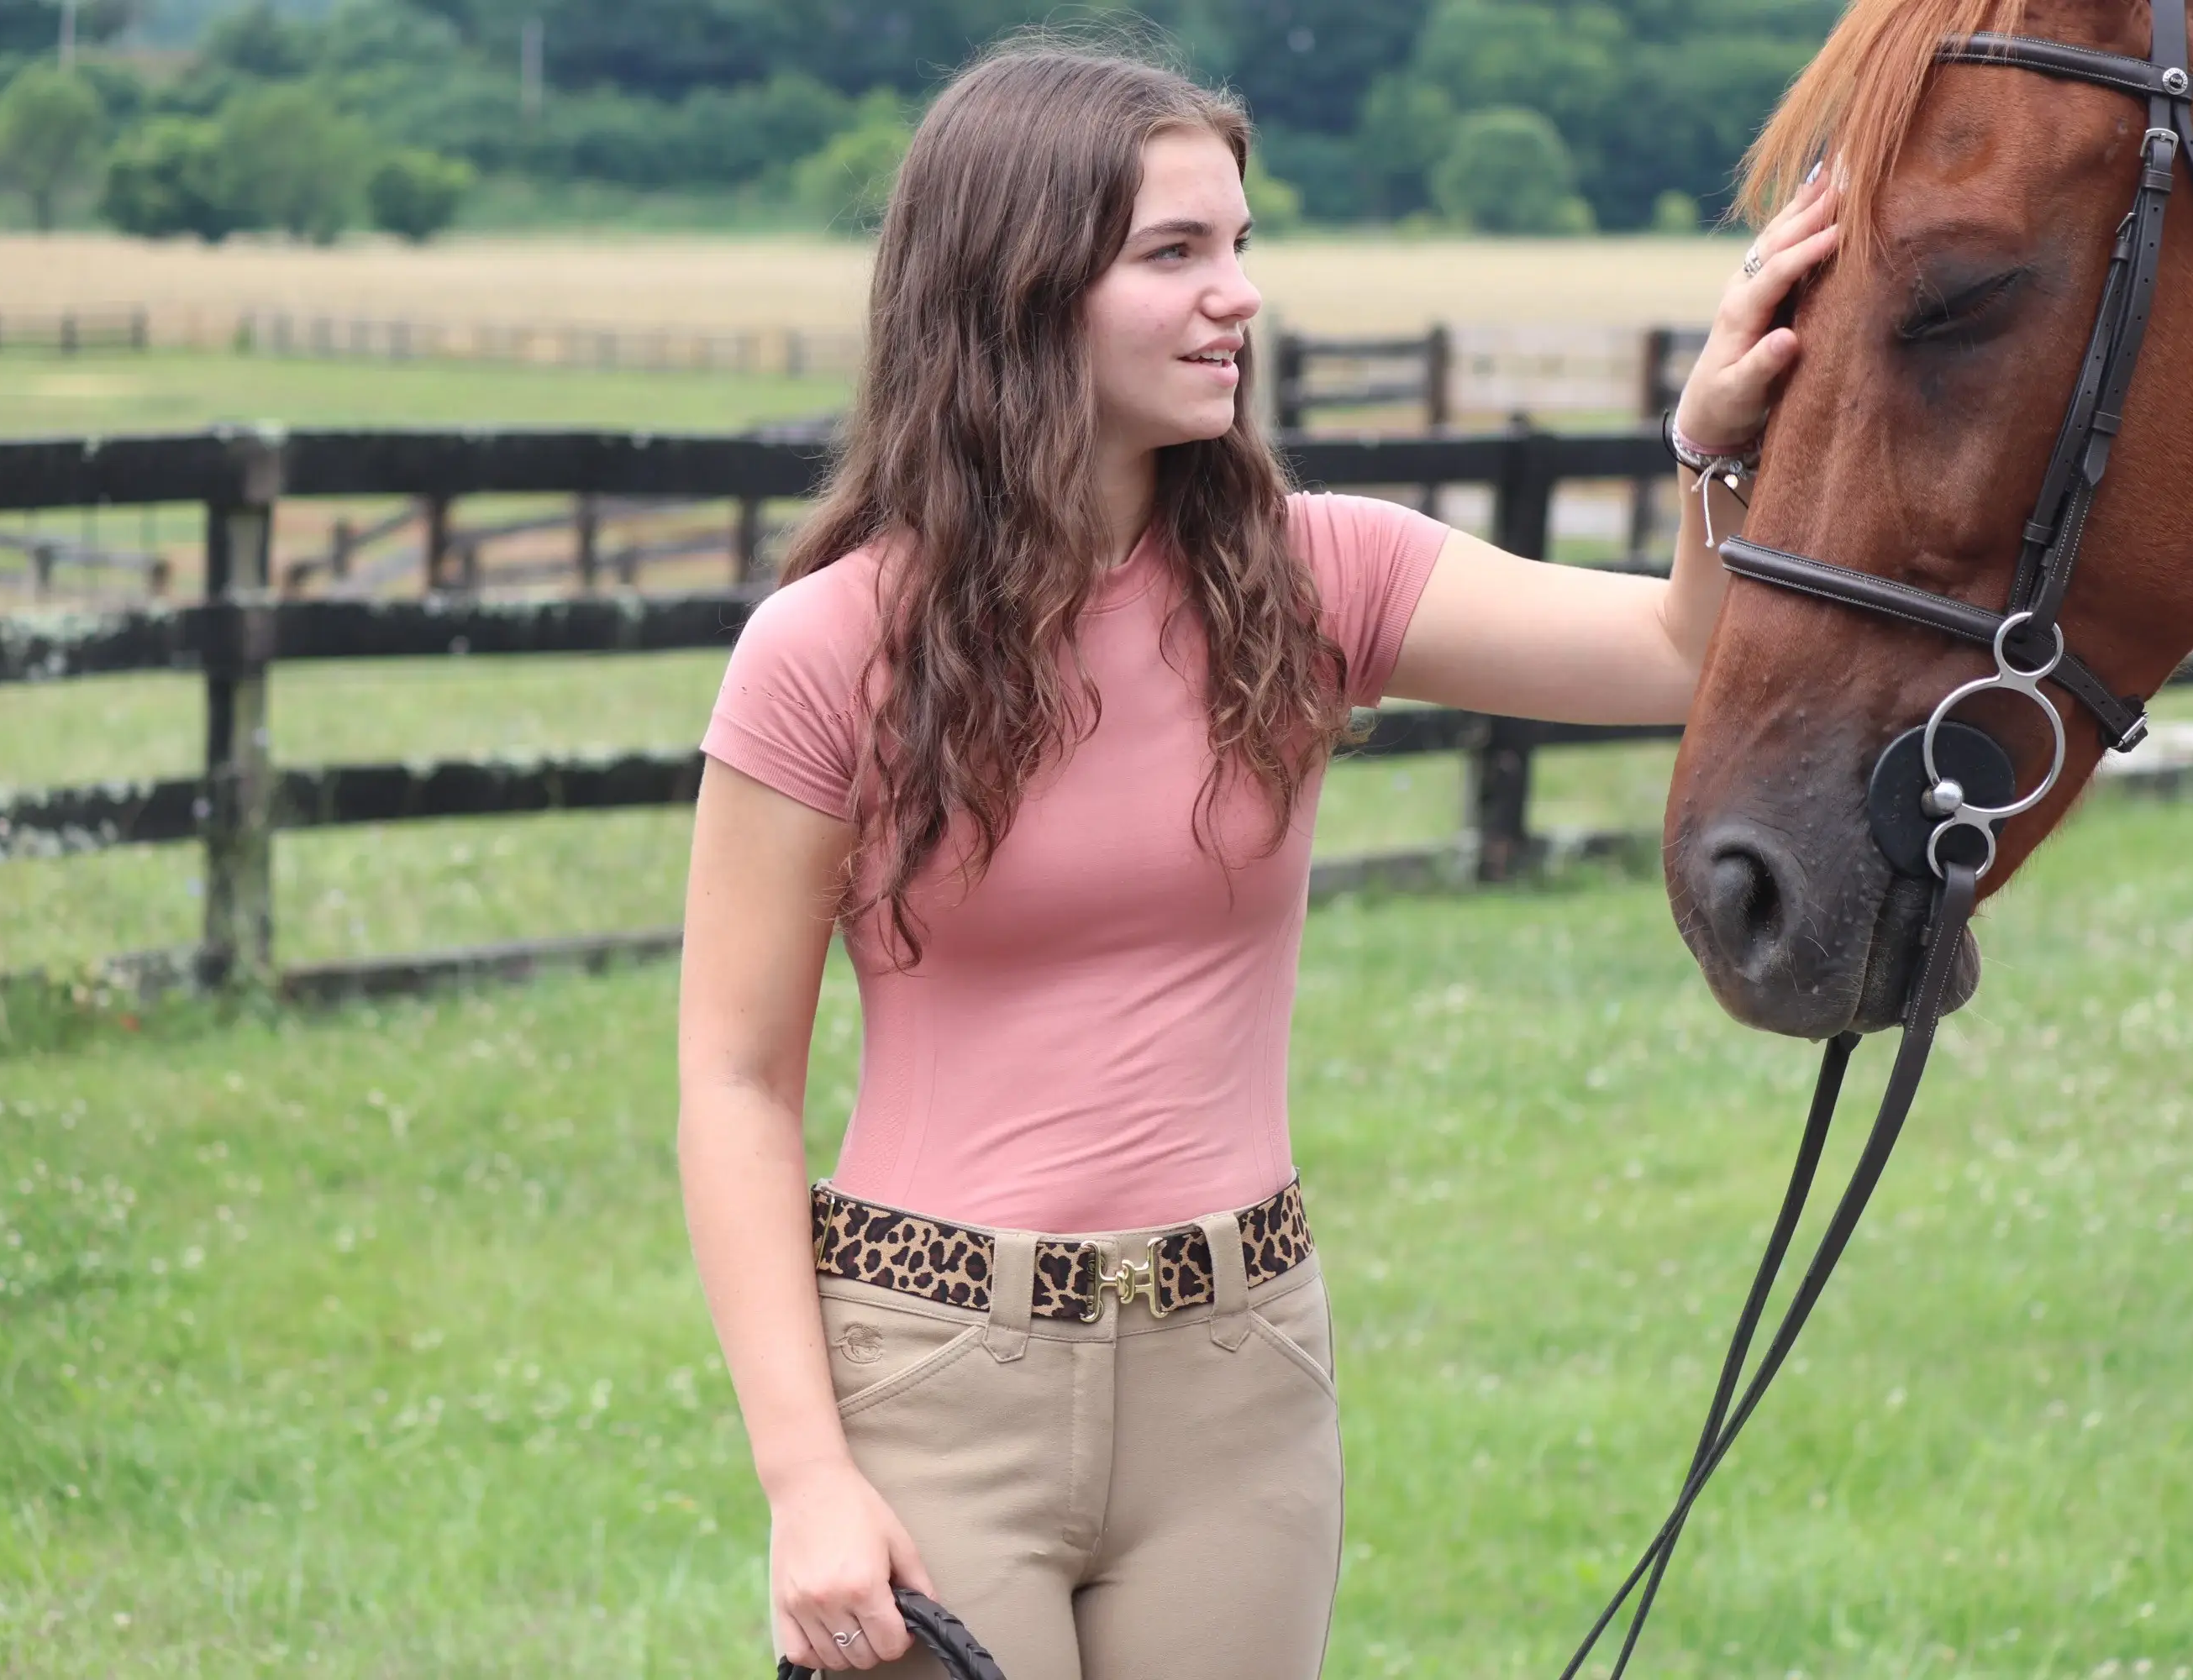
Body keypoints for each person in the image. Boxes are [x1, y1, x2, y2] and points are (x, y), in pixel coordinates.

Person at [676, 38, 1836, 1680]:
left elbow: (1672, 655)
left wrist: (1714, 445)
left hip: (1235, 1378)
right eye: (1176, 254)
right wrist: (807, 1480)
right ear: (1018, 285)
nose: (1240, 296)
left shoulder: (1310, 577)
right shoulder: (826, 650)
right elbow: (733, 1079)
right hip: (933, 1372)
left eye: (1241, 244)